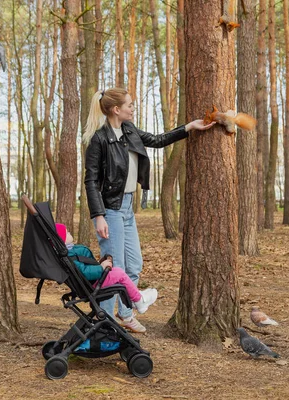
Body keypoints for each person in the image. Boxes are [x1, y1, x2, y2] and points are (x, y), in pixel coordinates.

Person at [83, 87, 216, 332]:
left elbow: (157, 140)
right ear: (116, 109)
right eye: (130, 105)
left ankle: (125, 313)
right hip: (110, 209)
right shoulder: (99, 139)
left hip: (127, 208)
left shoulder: (129, 130)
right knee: (115, 270)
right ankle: (105, 322)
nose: (133, 108)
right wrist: (98, 215)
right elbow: (91, 180)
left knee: (133, 265)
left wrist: (189, 127)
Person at [55, 223, 158, 314]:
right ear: (62, 240)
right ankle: (140, 302)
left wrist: (100, 264)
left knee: (117, 272)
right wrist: (101, 267)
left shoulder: (70, 252)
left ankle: (135, 297)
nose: (69, 232)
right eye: (67, 233)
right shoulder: (70, 256)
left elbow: (84, 267)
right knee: (120, 274)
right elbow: (85, 272)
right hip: (93, 283)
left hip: (91, 281)